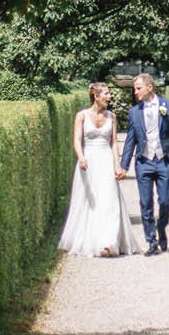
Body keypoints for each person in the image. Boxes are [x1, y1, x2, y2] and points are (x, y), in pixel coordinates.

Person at [58, 82, 140, 257]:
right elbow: (77, 140)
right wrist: (81, 157)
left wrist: (117, 165)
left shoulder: (112, 117)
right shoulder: (81, 116)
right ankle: (90, 239)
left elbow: (113, 143)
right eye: (106, 94)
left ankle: (108, 242)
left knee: (109, 200)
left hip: (105, 161)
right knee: (89, 202)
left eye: (109, 94)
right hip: (88, 162)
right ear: (96, 96)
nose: (109, 97)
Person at [116, 72, 169, 256]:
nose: (135, 92)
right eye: (134, 89)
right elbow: (130, 141)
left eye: (138, 88)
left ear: (150, 88)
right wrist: (123, 166)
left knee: (165, 200)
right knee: (145, 203)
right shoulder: (134, 112)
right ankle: (151, 242)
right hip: (144, 163)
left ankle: (161, 228)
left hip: (164, 162)